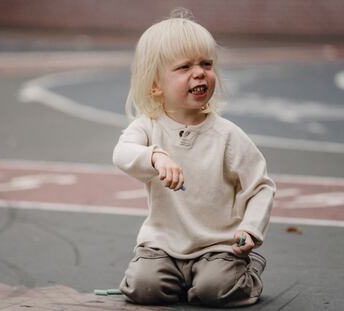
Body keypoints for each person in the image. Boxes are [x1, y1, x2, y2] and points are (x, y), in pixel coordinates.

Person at [112, 9, 276, 307]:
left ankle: (244, 272)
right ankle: (180, 277)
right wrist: (155, 157)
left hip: (218, 245)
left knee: (215, 290)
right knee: (143, 289)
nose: (199, 72)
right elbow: (122, 154)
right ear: (155, 85)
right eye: (184, 67)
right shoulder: (148, 126)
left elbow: (261, 187)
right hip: (163, 244)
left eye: (206, 64)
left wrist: (250, 228)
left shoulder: (227, 135)